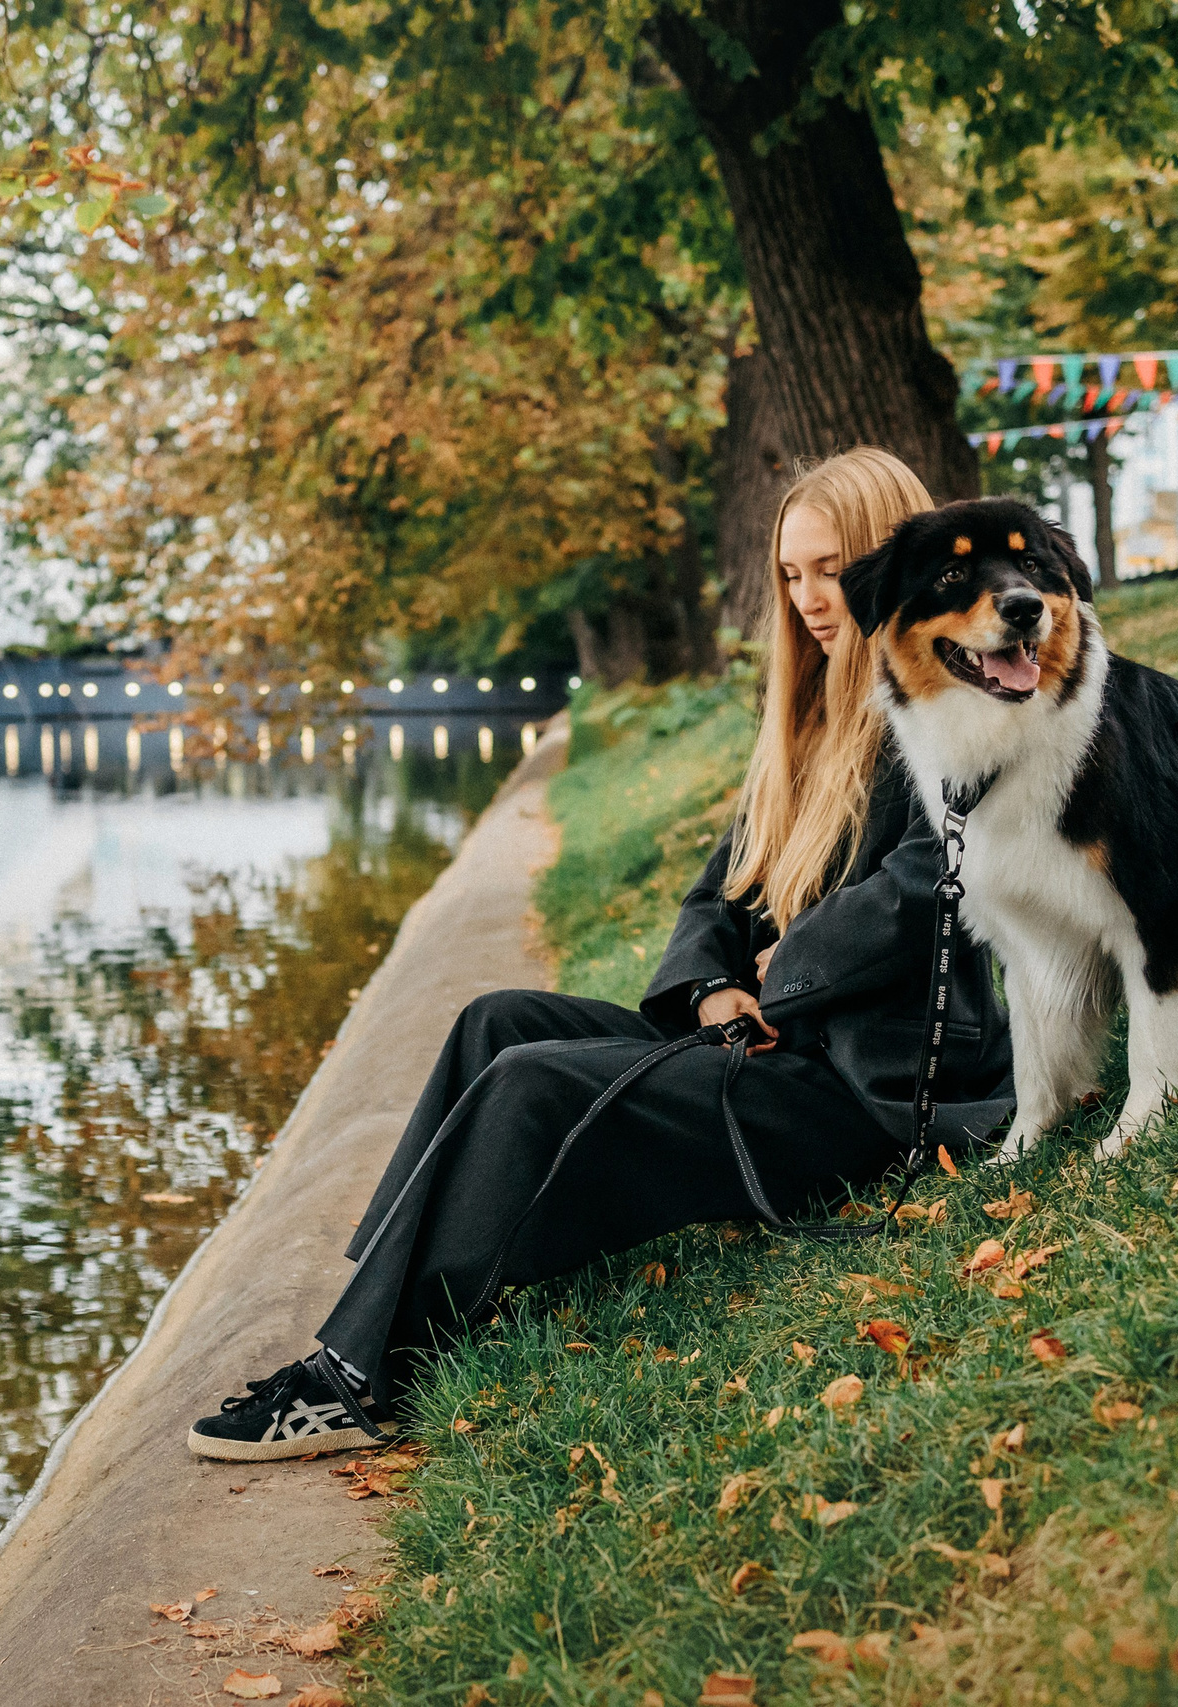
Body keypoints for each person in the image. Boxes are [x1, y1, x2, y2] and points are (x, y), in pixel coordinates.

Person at [189, 448, 1017, 1461]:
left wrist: (783, 973)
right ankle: (380, 1318)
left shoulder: (948, 712)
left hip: (863, 1090)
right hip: (767, 1045)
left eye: (829, 569)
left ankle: (365, 1375)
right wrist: (712, 984)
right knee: (495, 1021)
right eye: (790, 573)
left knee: (534, 1083)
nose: (806, 597)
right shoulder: (801, 719)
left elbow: (933, 882)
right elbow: (719, 886)